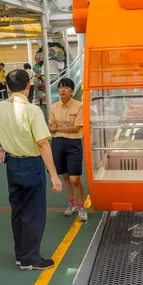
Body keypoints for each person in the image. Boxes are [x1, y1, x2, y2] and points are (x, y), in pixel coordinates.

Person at [0, 70, 63, 271]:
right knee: (34, 212)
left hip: (12, 165)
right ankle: (30, 259)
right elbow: (42, 144)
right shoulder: (32, 111)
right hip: (32, 165)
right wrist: (54, 175)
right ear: (28, 86)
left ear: (6, 87)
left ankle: (20, 255)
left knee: (18, 211)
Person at [49, 77, 87, 222]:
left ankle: (82, 207)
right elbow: (50, 128)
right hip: (57, 143)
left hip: (73, 144)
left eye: (66, 87)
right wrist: (61, 128)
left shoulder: (79, 106)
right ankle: (72, 205)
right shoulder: (54, 107)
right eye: (60, 87)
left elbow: (76, 128)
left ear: (72, 90)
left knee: (74, 178)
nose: (62, 90)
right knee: (65, 177)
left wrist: (58, 127)